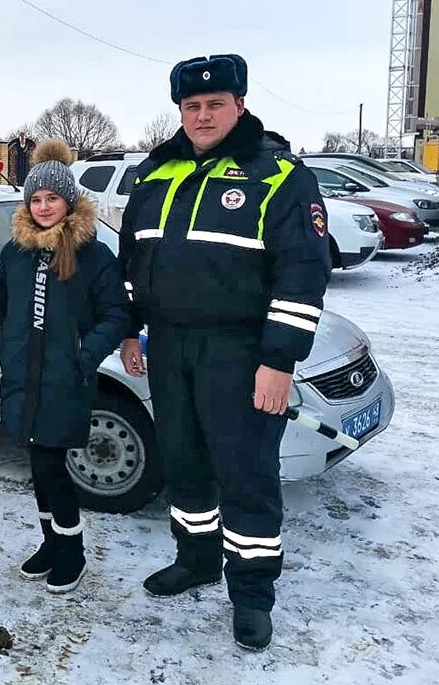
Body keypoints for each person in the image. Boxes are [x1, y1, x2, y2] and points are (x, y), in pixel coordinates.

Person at [118, 54, 331, 650]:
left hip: (242, 351)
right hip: (169, 346)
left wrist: (279, 359)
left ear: (240, 104)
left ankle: (252, 593)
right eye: (192, 106)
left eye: (216, 104)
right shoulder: (155, 174)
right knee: (183, 461)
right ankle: (197, 560)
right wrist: (131, 328)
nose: (204, 115)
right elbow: (134, 263)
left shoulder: (280, 176)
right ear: (179, 111)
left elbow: (302, 275)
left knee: (246, 473)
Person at [0, 139, 131, 594]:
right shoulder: (15, 252)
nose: (44, 206)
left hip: (65, 379)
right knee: (38, 464)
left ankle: (72, 551)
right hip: (22, 377)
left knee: (51, 466)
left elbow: (116, 313)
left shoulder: (92, 254)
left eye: (52, 198)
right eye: (37, 199)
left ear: (69, 201)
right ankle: (52, 542)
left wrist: (85, 354)